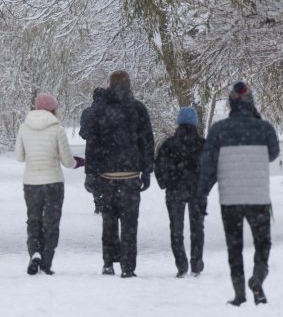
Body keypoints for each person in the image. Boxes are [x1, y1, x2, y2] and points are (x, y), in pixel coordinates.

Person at [198, 82, 280, 306]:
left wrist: (201, 194)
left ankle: (239, 294)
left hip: (230, 199)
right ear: (251, 102)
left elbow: (208, 166)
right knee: (262, 243)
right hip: (258, 198)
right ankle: (258, 278)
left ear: (231, 103)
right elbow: (273, 154)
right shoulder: (265, 129)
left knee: (234, 247)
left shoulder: (219, 130)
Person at [84, 70, 154, 278]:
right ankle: (128, 265)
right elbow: (147, 142)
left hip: (107, 175)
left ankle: (108, 262)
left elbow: (93, 144)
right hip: (131, 175)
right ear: (129, 85)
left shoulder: (101, 111)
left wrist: (91, 173)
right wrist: (147, 170)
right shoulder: (138, 109)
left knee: (109, 220)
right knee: (130, 223)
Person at [14, 93, 81, 275]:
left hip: (31, 183)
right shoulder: (56, 128)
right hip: (53, 183)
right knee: (51, 222)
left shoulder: (23, 127)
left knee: (33, 219)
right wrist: (79, 162)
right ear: (53, 109)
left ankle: (34, 252)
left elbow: (19, 157)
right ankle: (46, 262)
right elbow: (68, 161)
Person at [154, 106, 206, 278]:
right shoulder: (202, 144)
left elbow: (159, 166)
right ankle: (196, 263)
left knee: (176, 228)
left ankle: (181, 265)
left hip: (174, 190)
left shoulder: (168, 145)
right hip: (197, 190)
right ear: (195, 123)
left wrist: (166, 183)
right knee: (197, 228)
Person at [78, 87, 105, 214]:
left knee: (94, 177)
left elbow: (83, 133)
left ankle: (98, 202)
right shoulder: (112, 113)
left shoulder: (87, 113)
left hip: (92, 151)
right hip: (109, 152)